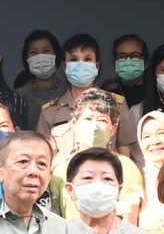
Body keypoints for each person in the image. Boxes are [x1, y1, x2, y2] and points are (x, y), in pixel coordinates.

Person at [52, 89, 146, 223]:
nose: (95, 126)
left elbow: (129, 223)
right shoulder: (61, 171)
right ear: (74, 125)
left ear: (113, 128)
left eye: (102, 120)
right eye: (88, 119)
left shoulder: (126, 167)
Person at [37, 33, 121, 142]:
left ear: (97, 65)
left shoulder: (117, 105)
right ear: (64, 66)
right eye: (73, 59)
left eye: (87, 59)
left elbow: (125, 148)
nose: (81, 64)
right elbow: (43, 150)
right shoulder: (50, 112)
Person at [13, 29, 63, 125]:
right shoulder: (19, 96)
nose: (40, 57)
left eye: (46, 51)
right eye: (34, 52)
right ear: (27, 58)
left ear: (56, 55)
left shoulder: (68, 91)